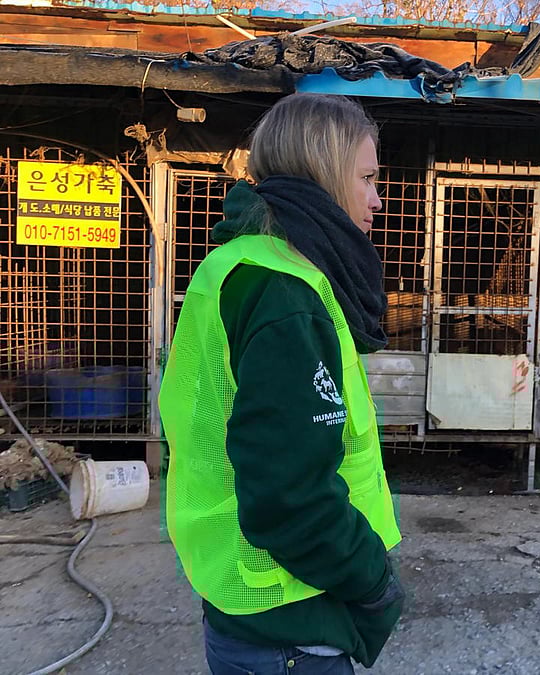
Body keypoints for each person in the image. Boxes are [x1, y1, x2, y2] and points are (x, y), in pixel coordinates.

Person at [159, 93, 404, 675]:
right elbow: (289, 499)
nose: (377, 199)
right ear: (324, 172)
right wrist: (373, 580)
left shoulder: (242, 262)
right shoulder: (285, 292)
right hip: (289, 618)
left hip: (249, 607)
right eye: (367, 178)